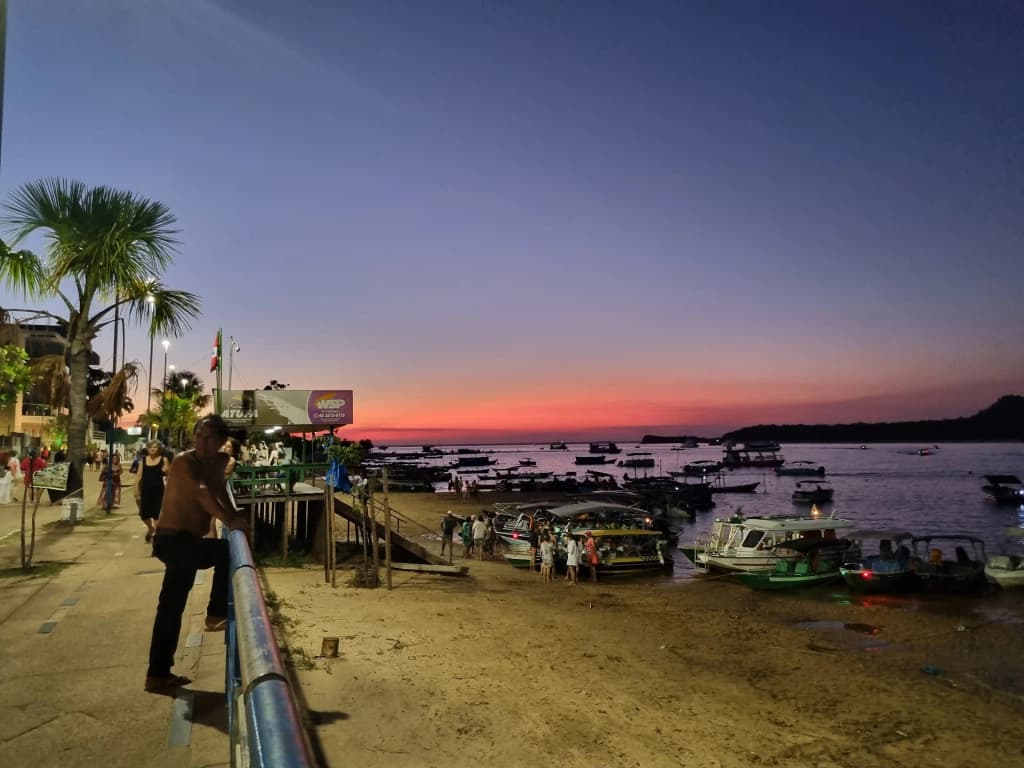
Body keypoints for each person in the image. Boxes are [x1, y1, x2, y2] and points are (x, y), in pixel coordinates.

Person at [145, 414, 250, 694]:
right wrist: (230, 523)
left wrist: (233, 513)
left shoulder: (216, 463)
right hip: (171, 540)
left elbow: (219, 493)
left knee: (170, 609)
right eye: (198, 437)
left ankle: (157, 674)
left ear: (221, 442)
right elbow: (203, 494)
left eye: (209, 438)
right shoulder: (184, 462)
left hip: (187, 542)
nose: (201, 443)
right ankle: (215, 614)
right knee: (224, 550)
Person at [134, 440, 171, 543]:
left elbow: (169, 476)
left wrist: (166, 470)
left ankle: (156, 540)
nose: (152, 449)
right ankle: (150, 528)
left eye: (155, 447)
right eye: (150, 447)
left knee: (157, 517)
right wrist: (136, 489)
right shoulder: (144, 460)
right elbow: (139, 476)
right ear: (147, 449)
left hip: (159, 491)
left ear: (159, 449)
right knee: (144, 516)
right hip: (146, 491)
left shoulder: (164, 459)